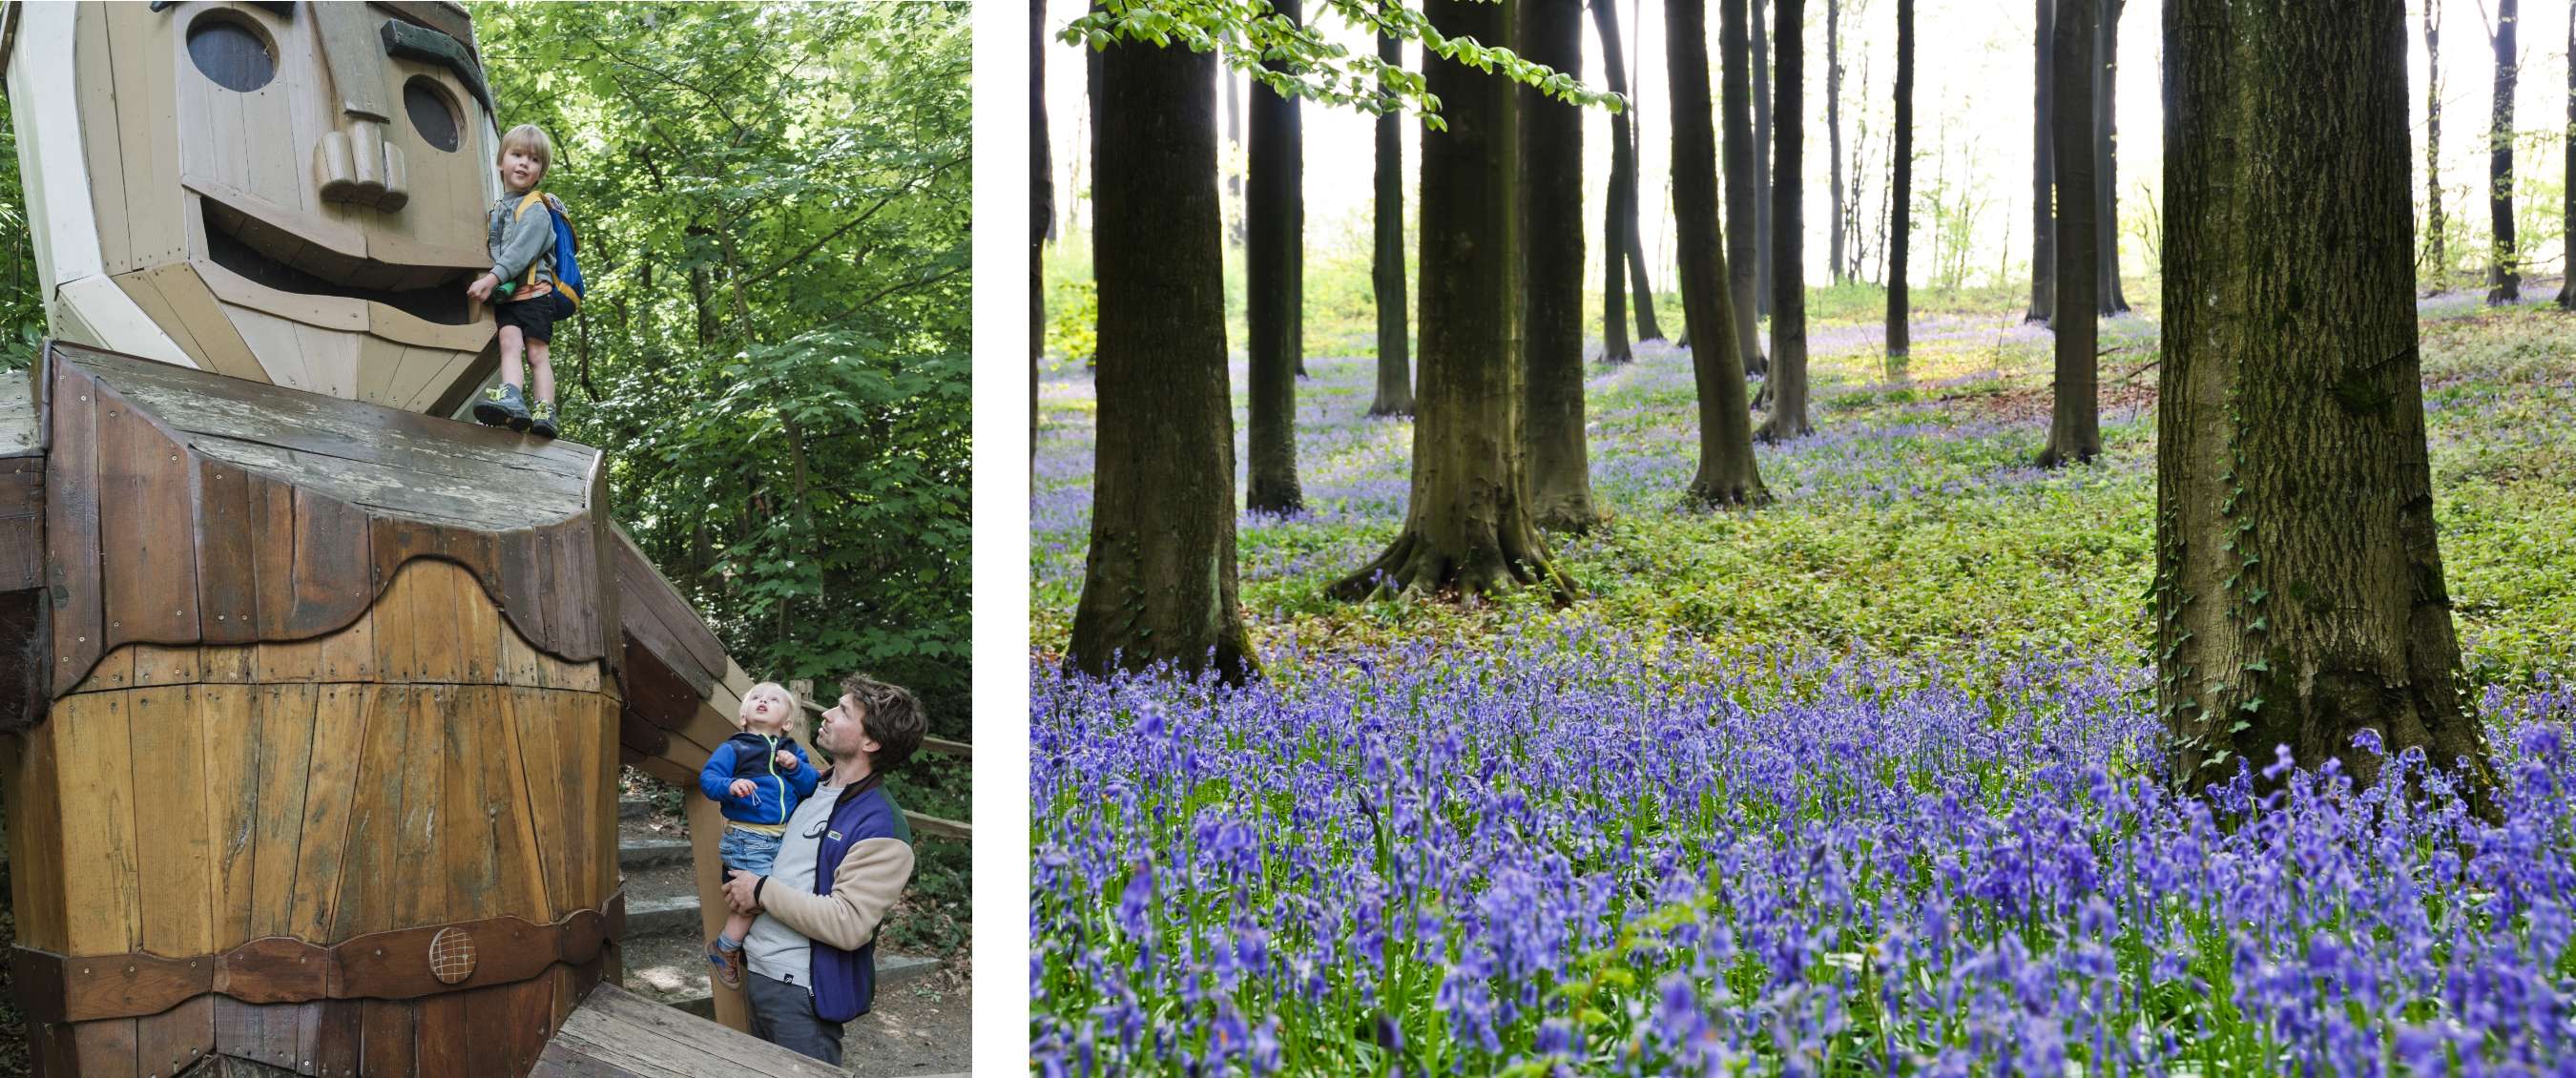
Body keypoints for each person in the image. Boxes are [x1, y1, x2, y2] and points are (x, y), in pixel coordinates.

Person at [720, 674, 924, 1065]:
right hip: (760, 974)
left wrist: (760, 890)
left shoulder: (882, 826)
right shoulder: (808, 787)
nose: (827, 714)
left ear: (870, 742)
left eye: (844, 711)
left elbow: (848, 924)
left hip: (801, 994)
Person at [696, 681, 815, 989]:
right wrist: (729, 786)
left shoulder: (792, 752)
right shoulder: (736, 747)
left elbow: (811, 786)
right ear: (743, 716)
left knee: (777, 894)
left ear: (787, 722)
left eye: (774, 700)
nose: (764, 701)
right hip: (748, 838)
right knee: (757, 898)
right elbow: (708, 779)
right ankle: (726, 947)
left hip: (783, 839)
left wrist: (796, 768)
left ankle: (742, 945)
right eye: (757, 698)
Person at [467, 123, 577, 439]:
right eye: (517, 155)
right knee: (508, 345)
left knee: (536, 353)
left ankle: (545, 408)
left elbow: (521, 250)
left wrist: (492, 278)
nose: (524, 163)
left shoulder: (536, 208)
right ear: (500, 162)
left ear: (540, 172)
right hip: (509, 297)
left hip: (535, 294)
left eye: (533, 159)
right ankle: (513, 396)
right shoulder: (499, 209)